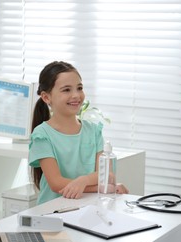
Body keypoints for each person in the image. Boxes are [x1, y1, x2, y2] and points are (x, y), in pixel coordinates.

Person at [29, 61, 129, 205]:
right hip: (53, 210)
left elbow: (107, 174)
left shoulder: (93, 131)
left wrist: (84, 181)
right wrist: (101, 187)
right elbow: (57, 183)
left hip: (88, 206)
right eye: (66, 90)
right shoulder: (42, 135)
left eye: (79, 88)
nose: (76, 95)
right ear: (46, 97)